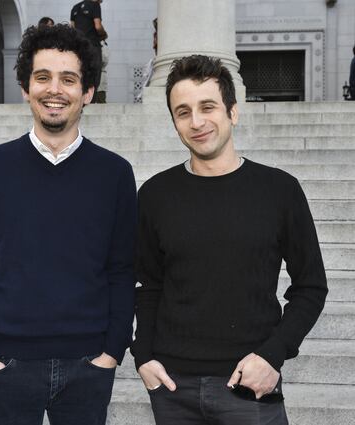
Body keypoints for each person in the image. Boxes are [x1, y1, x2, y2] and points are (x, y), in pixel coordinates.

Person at [0, 24, 136, 425]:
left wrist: (111, 353)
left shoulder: (115, 173)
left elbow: (123, 269)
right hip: (6, 364)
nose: (55, 89)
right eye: (42, 77)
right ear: (25, 87)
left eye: (68, 79)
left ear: (86, 92)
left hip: (89, 366)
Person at [131, 55, 328, 425]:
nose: (197, 122)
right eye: (183, 112)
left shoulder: (280, 190)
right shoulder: (155, 195)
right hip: (173, 389)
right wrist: (143, 357)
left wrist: (272, 356)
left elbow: (311, 287)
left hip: (250, 383)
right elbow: (147, 286)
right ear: (174, 122)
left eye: (208, 107)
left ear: (233, 112)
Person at [70, 0, 107, 90]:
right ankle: (91, 101)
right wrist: (104, 34)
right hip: (92, 45)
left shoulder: (75, 7)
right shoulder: (95, 5)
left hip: (79, 47)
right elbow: (98, 26)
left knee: (80, 73)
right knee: (94, 74)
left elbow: (72, 29)